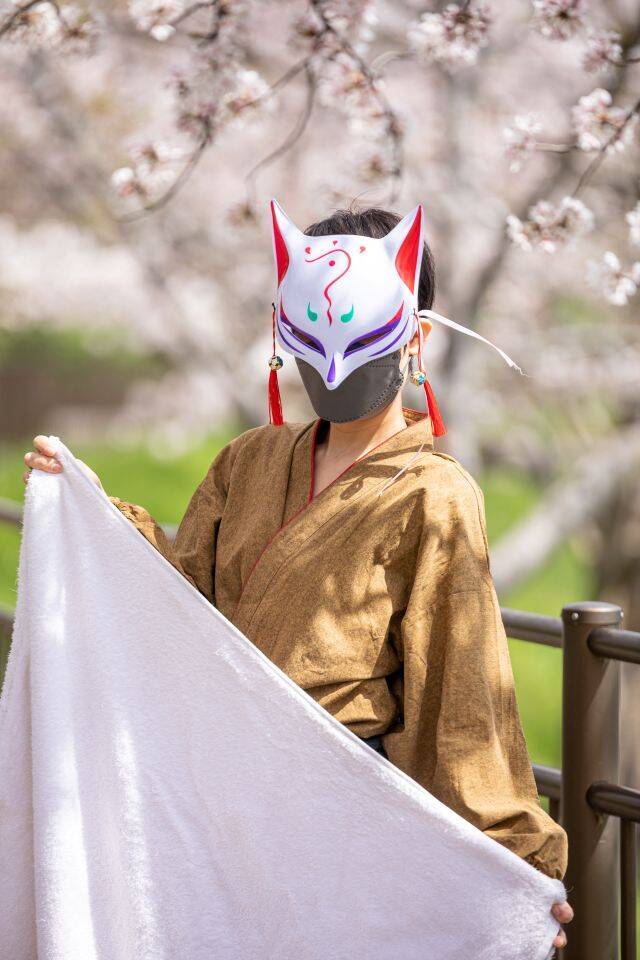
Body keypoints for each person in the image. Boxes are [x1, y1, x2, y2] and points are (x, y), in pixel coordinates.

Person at [23, 199, 573, 952]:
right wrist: (88, 514)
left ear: (417, 336)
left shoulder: (434, 494)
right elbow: (179, 610)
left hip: (338, 820)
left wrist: (512, 864)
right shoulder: (247, 461)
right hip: (214, 807)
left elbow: (460, 695)